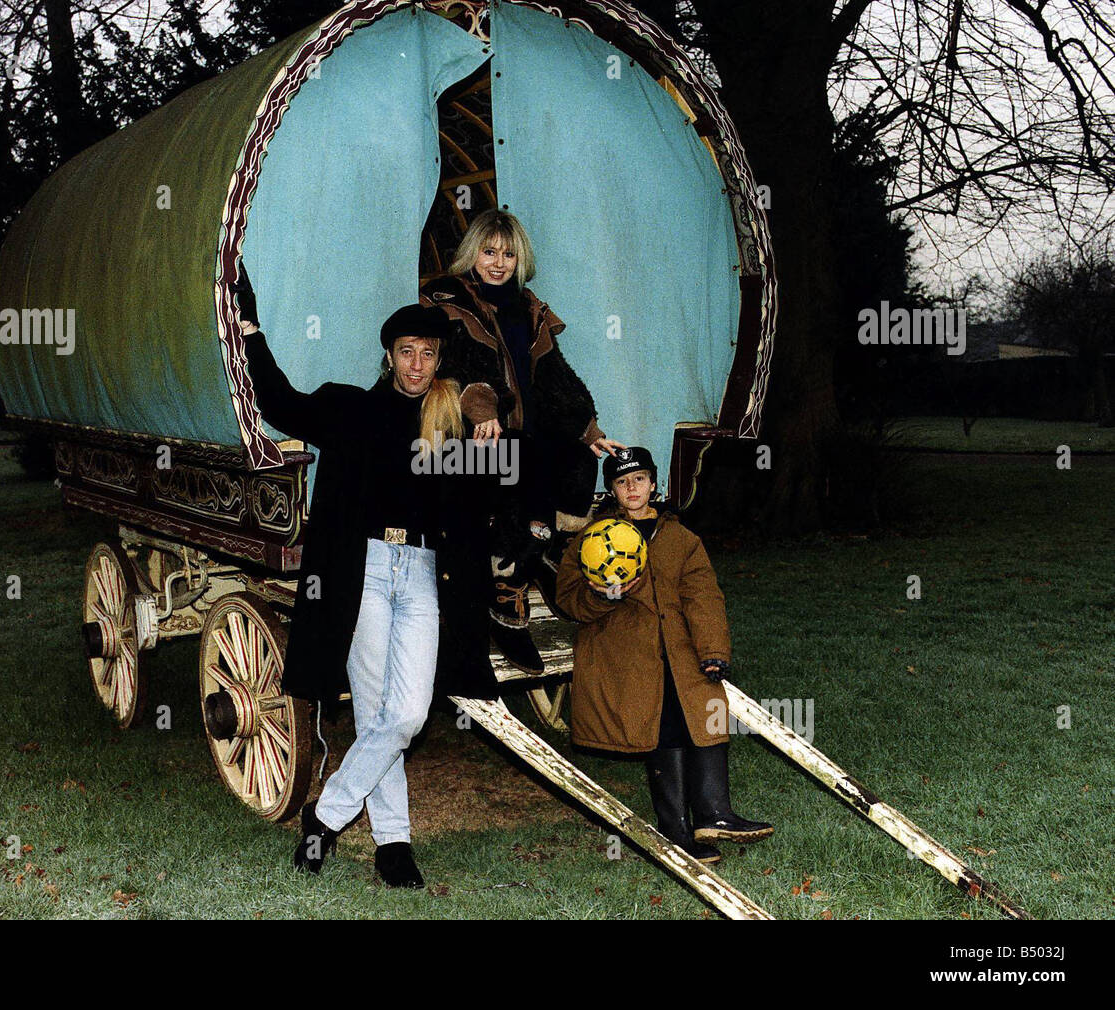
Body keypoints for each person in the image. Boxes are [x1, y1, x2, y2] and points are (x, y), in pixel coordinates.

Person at [229, 267, 503, 888]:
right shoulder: (351, 408)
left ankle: (324, 818)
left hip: (426, 573)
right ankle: (393, 843)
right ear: (389, 354)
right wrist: (251, 334)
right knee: (382, 708)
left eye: (429, 353)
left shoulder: (446, 427)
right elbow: (281, 403)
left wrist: (490, 419)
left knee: (406, 713)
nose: (418, 363)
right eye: (408, 351)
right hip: (367, 572)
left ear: (438, 360)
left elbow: (494, 484)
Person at [421, 209, 623, 674]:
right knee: (523, 462)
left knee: (576, 459)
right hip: (461, 434)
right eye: (489, 251)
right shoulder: (447, 297)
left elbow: (554, 375)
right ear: (472, 252)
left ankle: (538, 557)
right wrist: (482, 410)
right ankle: (506, 590)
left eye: (508, 254)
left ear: (520, 259)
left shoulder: (528, 306)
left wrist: (588, 429)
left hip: (524, 431)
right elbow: (457, 363)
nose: (498, 262)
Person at [555, 446, 771, 863]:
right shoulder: (592, 538)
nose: (632, 488)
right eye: (622, 481)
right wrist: (606, 596)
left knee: (708, 708)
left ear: (654, 485)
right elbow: (568, 598)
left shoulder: (680, 539)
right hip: (624, 653)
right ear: (612, 491)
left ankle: (714, 812)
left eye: (639, 479)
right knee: (660, 726)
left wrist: (713, 651)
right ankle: (675, 830)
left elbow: (703, 597)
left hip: (680, 649)